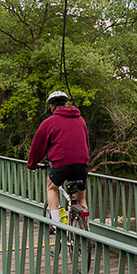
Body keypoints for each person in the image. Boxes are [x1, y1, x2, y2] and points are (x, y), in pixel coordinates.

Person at [26, 91, 90, 223]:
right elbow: (86, 143)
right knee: (81, 199)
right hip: (82, 163)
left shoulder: (48, 122)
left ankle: (56, 224)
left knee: (52, 188)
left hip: (61, 164)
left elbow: (37, 148)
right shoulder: (80, 119)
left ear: (51, 107)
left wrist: (32, 164)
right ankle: (86, 232)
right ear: (66, 104)